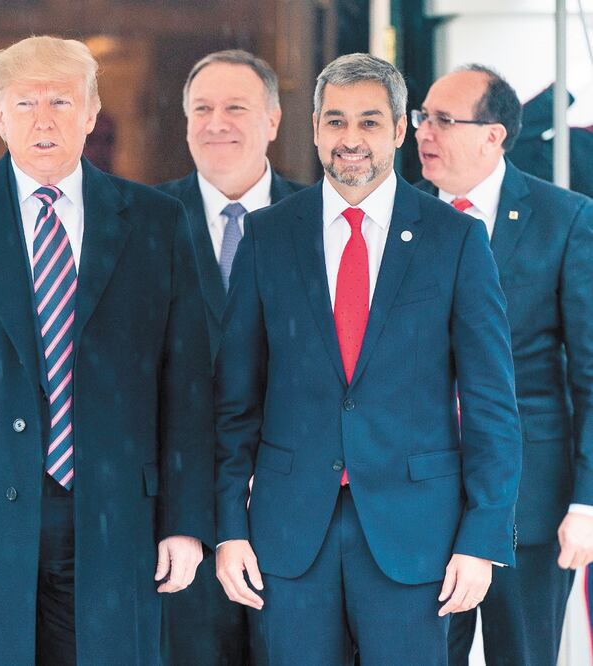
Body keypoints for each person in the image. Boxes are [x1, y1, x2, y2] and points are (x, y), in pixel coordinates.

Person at [0, 35, 214, 665]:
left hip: (114, 523)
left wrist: (186, 521)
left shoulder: (157, 222)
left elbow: (185, 383)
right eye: (25, 102)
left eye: (61, 100)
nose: (45, 118)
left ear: (91, 113)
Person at [213, 52, 522, 666]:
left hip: (418, 536)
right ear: (314, 126)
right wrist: (227, 527)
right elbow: (236, 400)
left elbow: (492, 404)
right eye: (335, 122)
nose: (350, 139)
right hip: (292, 532)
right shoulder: (269, 236)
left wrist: (482, 538)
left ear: (402, 130)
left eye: (370, 122)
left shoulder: (455, 240)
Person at [414, 64, 593, 666]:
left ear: (494, 135)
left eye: (444, 119)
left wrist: (588, 502)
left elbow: (590, 375)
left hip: (533, 502)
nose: (423, 132)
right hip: (420, 498)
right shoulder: (397, 219)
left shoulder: (563, 219)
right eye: (422, 117)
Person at [157, 50, 303, 665]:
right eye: (202, 108)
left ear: (273, 119)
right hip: (180, 523)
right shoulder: (143, 222)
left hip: (297, 515)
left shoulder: (320, 220)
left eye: (235, 107)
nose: (217, 122)